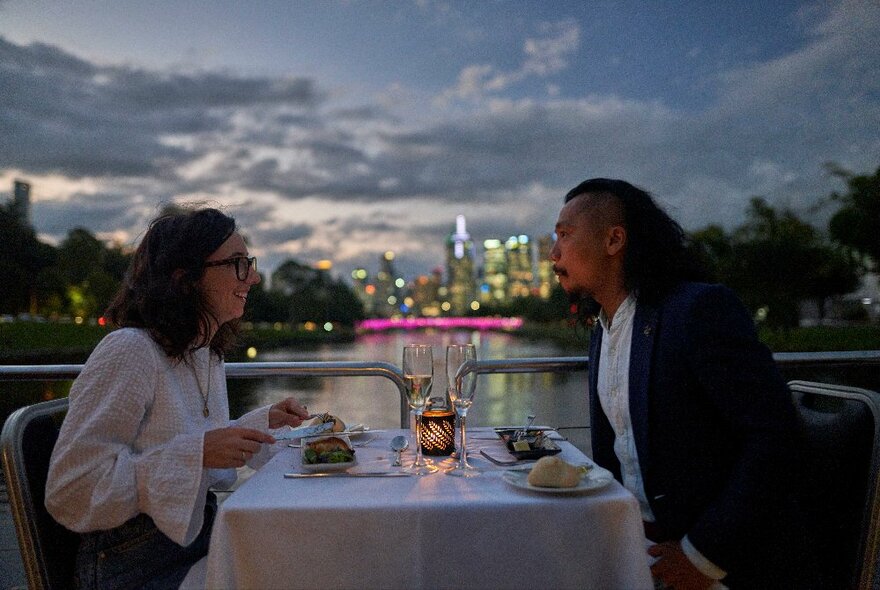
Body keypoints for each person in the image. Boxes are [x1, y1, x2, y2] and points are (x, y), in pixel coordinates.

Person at [550, 178, 813, 589]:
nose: (554, 254)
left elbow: (776, 437)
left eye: (565, 235)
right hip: (642, 549)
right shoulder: (604, 328)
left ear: (614, 240)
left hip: (717, 567)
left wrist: (700, 556)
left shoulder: (697, 311)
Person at [46, 207, 312, 589]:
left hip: (194, 542)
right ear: (185, 278)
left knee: (311, 557)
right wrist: (198, 453)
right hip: (130, 567)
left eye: (249, 263)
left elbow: (179, 444)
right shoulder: (129, 352)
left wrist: (257, 425)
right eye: (238, 264)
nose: (253, 277)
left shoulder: (204, 354)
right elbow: (71, 491)